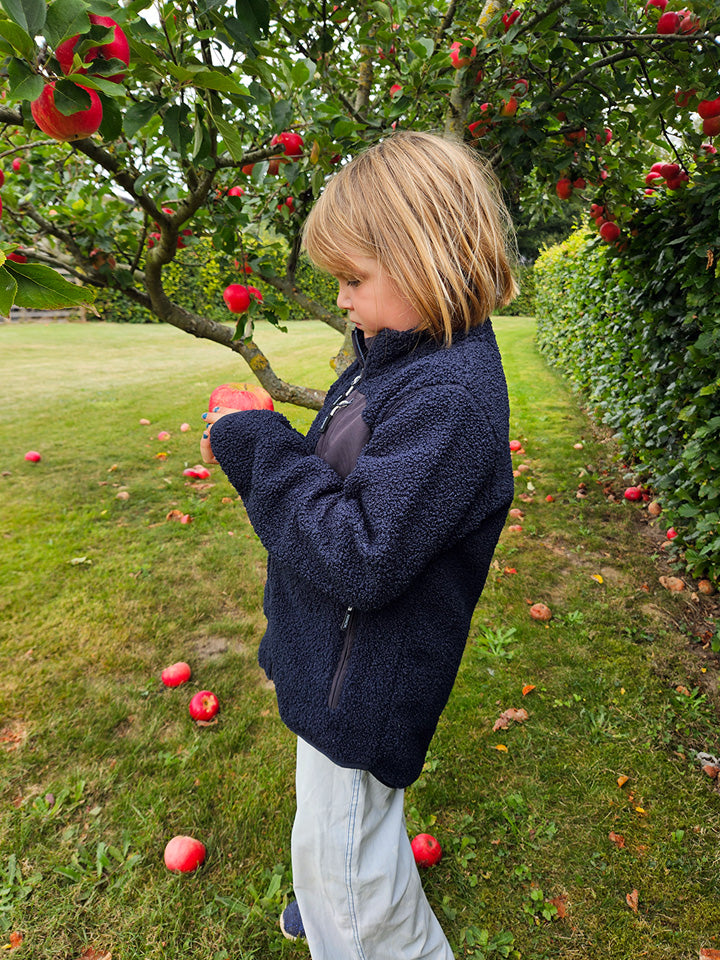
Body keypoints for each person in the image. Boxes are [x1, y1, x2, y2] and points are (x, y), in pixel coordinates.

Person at [200, 130, 517, 959]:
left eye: (352, 280)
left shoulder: (448, 399)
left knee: (360, 886)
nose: (340, 300)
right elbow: (345, 471)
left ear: (427, 261)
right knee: (335, 823)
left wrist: (259, 450)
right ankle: (326, 883)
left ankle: (350, 913)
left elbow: (360, 554)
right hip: (336, 663)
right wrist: (255, 441)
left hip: (366, 682)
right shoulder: (394, 359)